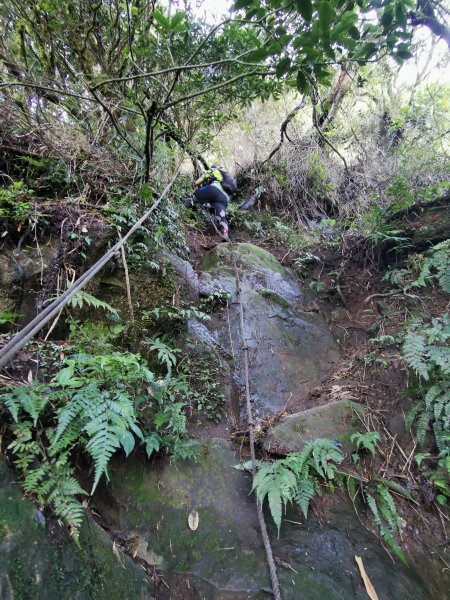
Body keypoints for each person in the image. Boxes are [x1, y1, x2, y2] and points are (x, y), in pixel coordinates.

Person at [186, 165, 229, 238]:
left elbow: (197, 183)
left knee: (193, 197)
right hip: (224, 198)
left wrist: (195, 186)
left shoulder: (212, 170)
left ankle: (179, 211)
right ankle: (225, 234)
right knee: (221, 217)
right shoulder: (224, 176)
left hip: (214, 189)